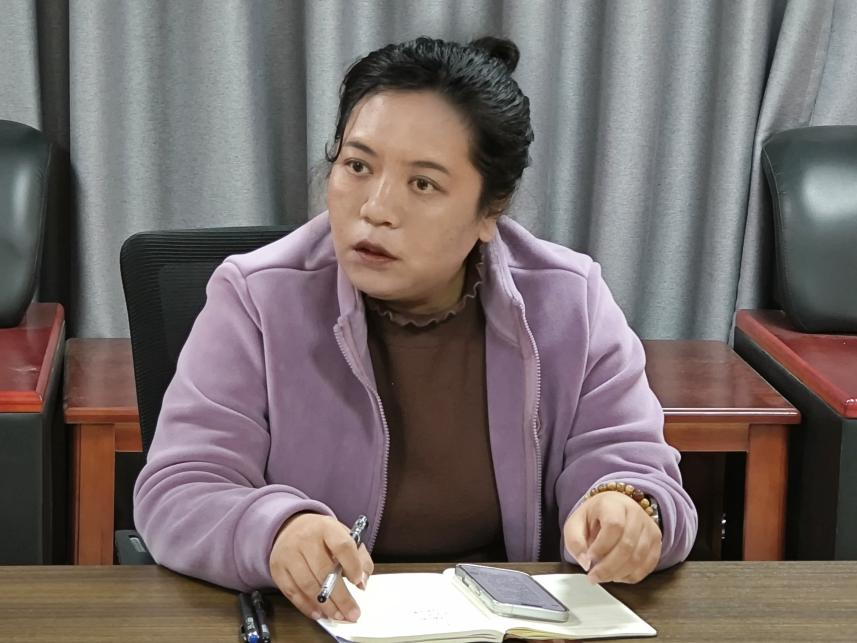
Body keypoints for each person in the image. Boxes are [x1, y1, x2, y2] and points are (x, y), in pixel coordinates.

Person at [133, 35, 697, 624]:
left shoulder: (570, 300)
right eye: (357, 166)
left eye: (423, 183)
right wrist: (274, 530)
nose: (376, 208)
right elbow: (179, 489)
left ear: (491, 209)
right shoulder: (255, 297)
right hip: (328, 622)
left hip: (509, 627)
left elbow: (640, 475)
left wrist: (630, 510)